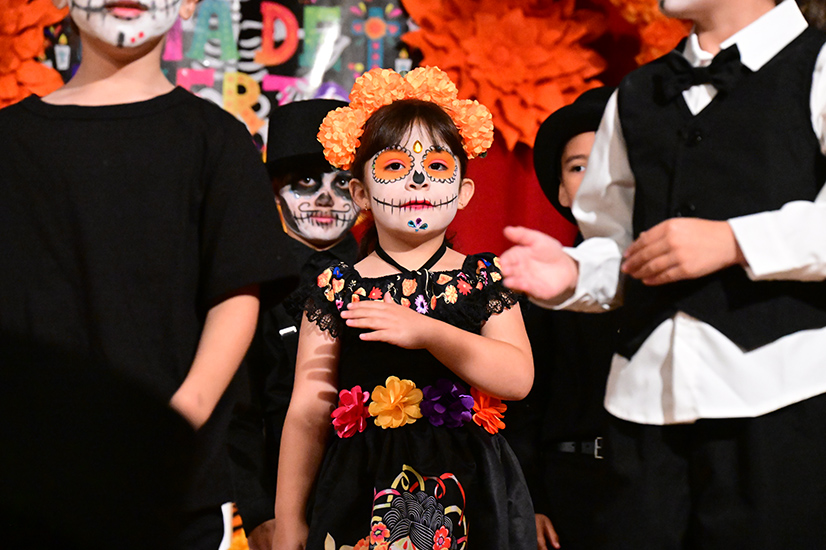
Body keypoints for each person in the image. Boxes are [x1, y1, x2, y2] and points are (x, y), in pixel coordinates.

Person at [500, 0, 826, 548]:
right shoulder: (636, 94)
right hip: (644, 401)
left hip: (782, 394)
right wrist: (574, 274)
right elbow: (619, 245)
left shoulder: (816, 64)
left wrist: (734, 241)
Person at [0, 0, 294, 547]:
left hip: (169, 487)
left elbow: (236, 296)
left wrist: (177, 422)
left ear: (186, 5)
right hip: (28, 482)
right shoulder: (11, 141)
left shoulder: (217, 139)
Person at [272, 66, 536, 549]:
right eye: (394, 167)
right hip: (361, 488)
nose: (417, 180)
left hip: (468, 489)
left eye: (437, 168)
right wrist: (289, 523)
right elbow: (307, 413)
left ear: (463, 192)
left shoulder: (483, 278)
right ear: (360, 193)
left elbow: (517, 379)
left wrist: (428, 331)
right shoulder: (336, 289)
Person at [227, 98, 360, 549]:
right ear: (275, 189)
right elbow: (238, 409)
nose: (326, 198)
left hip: (378, 491)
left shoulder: (393, 273)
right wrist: (260, 509)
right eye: (306, 182)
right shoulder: (251, 283)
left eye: (342, 182)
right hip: (286, 500)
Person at [505, 86, 619, 550]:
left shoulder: (679, 270)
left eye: (611, 159)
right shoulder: (539, 286)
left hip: (657, 480)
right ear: (561, 191)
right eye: (578, 166)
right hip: (568, 487)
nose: (596, 177)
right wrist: (528, 499)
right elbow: (522, 405)